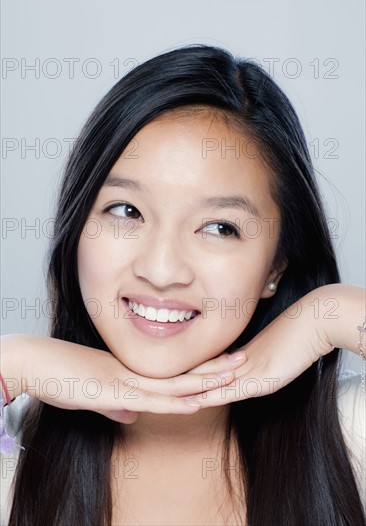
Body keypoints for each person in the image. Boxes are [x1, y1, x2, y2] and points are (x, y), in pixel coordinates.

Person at [1, 44, 365, 525]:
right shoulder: (14, 454)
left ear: (275, 268)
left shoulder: (348, 435)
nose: (162, 269)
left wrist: (331, 316)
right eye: (126, 211)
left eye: (220, 227)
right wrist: (13, 363)